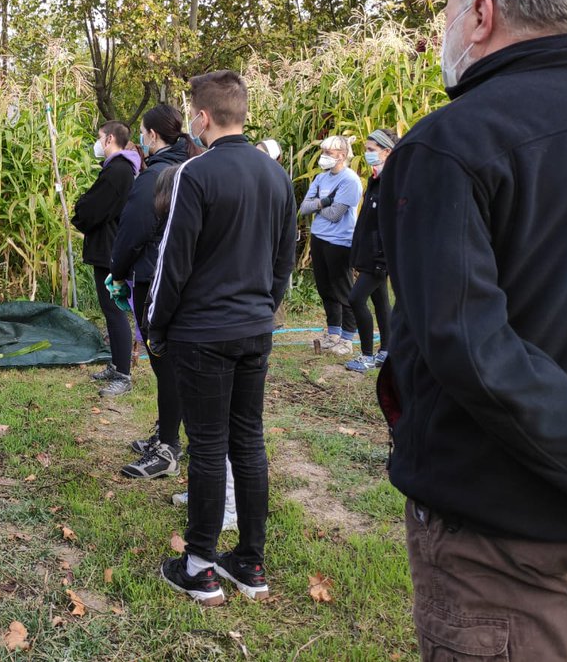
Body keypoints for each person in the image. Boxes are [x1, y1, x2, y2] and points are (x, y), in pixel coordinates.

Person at [378, 0, 567, 658]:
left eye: (449, 16)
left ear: (482, 15)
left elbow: (469, 346)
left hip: (502, 536)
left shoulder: (453, 142)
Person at [150, 71, 296, 606]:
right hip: (256, 328)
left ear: (203, 117)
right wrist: (265, 307)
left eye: (193, 112)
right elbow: (286, 257)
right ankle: (251, 562)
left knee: (208, 445)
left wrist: (157, 325)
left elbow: (173, 261)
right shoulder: (276, 176)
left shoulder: (196, 174)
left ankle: (200, 566)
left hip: (204, 332)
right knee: (248, 439)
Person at [108, 105, 193, 478]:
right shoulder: (191, 168)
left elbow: (133, 231)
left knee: (164, 361)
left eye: (143, 132)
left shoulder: (155, 177)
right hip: (182, 279)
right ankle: (167, 430)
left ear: (153, 136)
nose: (142, 139)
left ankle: (167, 449)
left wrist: (118, 272)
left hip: (153, 278)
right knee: (169, 362)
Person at [72, 121, 140, 393]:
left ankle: (123, 375)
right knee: (109, 308)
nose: (97, 143)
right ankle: (116, 364)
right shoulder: (118, 169)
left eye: (99, 137)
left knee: (114, 310)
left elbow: (92, 207)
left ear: (110, 138)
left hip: (110, 248)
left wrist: (80, 207)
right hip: (109, 246)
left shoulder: (118, 171)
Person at [299, 135, 362, 357]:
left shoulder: (350, 181)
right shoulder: (321, 179)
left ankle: (347, 338)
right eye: (323, 152)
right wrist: (323, 203)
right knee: (326, 288)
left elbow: (336, 215)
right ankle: (333, 333)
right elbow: (304, 207)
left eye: (328, 153)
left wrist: (319, 206)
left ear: (342, 156)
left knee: (343, 290)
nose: (324, 156)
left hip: (339, 241)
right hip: (320, 238)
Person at [344, 129, 398, 372]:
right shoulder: (375, 180)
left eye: (371, 150)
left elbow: (391, 226)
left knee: (356, 299)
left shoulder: (392, 183)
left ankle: (366, 355)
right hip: (368, 254)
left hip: (379, 258)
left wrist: (382, 258)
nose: (366, 154)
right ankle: (386, 350)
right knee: (380, 301)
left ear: (387, 152)